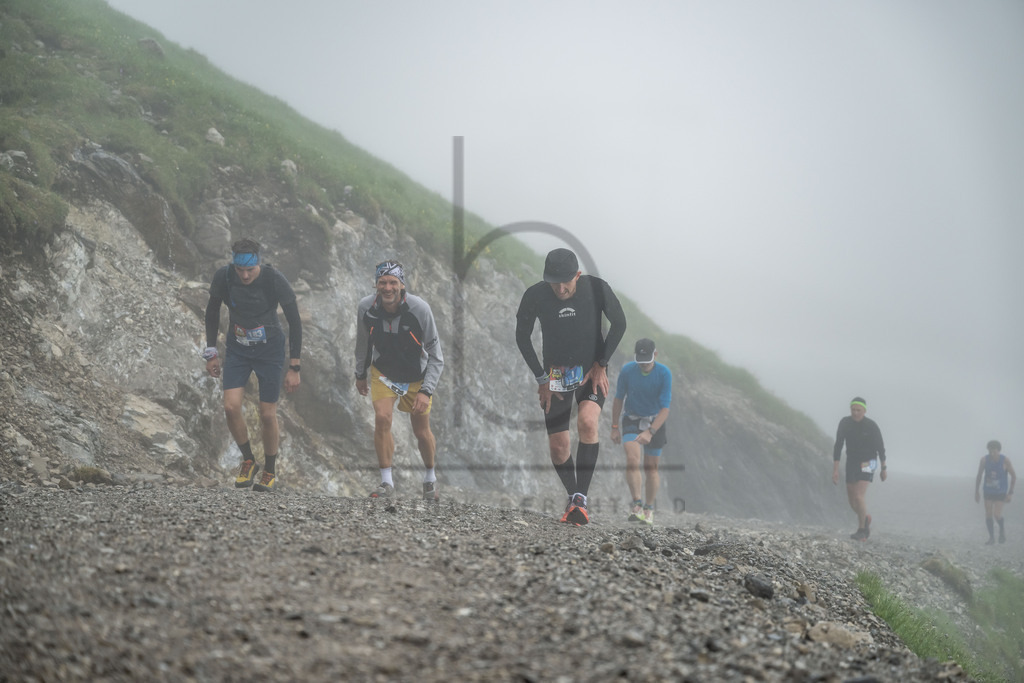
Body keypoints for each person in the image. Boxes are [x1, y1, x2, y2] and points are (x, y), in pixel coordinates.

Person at [516, 248, 627, 525]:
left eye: (566, 281)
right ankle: (573, 496)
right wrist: (541, 378)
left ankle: (580, 500)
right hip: (556, 376)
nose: (561, 288)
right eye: (555, 282)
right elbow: (522, 337)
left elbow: (620, 324)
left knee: (588, 422)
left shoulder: (597, 288)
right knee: (558, 447)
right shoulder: (535, 295)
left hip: (591, 369)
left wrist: (602, 363)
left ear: (578, 274)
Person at [203, 238, 302, 492]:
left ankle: (269, 469)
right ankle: (248, 460)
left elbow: (294, 320)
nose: (245, 275)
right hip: (238, 349)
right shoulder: (224, 277)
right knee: (230, 407)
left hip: (270, 351)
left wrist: (294, 366)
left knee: (268, 414)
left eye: (250, 269)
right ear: (233, 264)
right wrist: (211, 352)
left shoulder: (273, 279)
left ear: (258, 261)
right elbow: (212, 312)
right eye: (240, 270)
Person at [355, 260, 444, 501]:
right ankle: (386, 482)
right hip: (383, 372)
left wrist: (426, 391)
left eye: (393, 282)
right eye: (382, 282)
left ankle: (430, 478)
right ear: (376, 284)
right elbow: (363, 344)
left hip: (417, 375)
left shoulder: (420, 309)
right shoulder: (366, 307)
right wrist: (360, 374)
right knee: (382, 418)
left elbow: (437, 357)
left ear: (402, 285)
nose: (387, 288)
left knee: (421, 431)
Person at [611, 338, 672, 526]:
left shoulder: (664, 373)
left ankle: (649, 508)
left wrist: (650, 432)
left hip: (656, 421)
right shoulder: (628, 370)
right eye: (640, 359)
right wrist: (614, 427)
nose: (644, 363)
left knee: (651, 468)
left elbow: (665, 409)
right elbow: (619, 398)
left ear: (655, 354)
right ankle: (637, 504)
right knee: (632, 459)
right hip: (632, 418)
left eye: (647, 359)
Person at [832, 397, 887, 540]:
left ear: (864, 411)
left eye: (858, 410)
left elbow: (881, 448)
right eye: (853, 410)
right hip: (852, 461)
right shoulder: (845, 423)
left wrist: (883, 468)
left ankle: (862, 530)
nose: (855, 413)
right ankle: (865, 518)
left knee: (859, 496)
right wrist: (835, 470)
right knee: (852, 501)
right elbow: (838, 446)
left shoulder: (871, 426)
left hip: (869, 461)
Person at [975, 440, 1016, 544]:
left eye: (994, 451)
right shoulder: (984, 460)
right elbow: (979, 475)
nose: (992, 454)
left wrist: (1010, 493)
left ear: (999, 450)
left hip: (1000, 491)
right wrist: (976, 491)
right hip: (988, 490)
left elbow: (1014, 476)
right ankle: (991, 538)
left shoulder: (1005, 460)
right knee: (988, 514)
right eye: (990, 452)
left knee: (997, 515)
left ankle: (1002, 531)